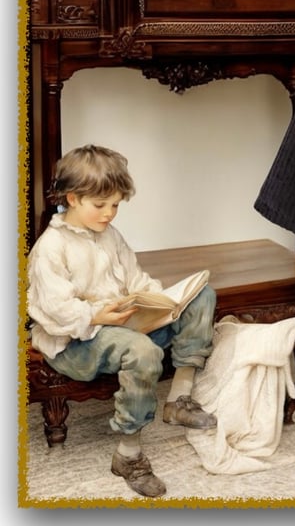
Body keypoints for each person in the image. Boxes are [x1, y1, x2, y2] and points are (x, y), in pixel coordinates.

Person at [26, 144, 218, 498]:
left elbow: (136, 279)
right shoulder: (50, 247)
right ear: (72, 198)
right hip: (75, 342)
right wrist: (95, 315)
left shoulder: (110, 235)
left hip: (121, 326)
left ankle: (178, 400)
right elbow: (52, 310)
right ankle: (128, 455)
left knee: (202, 297)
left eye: (115, 205)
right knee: (142, 351)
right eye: (100, 205)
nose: (109, 213)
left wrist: (162, 302)